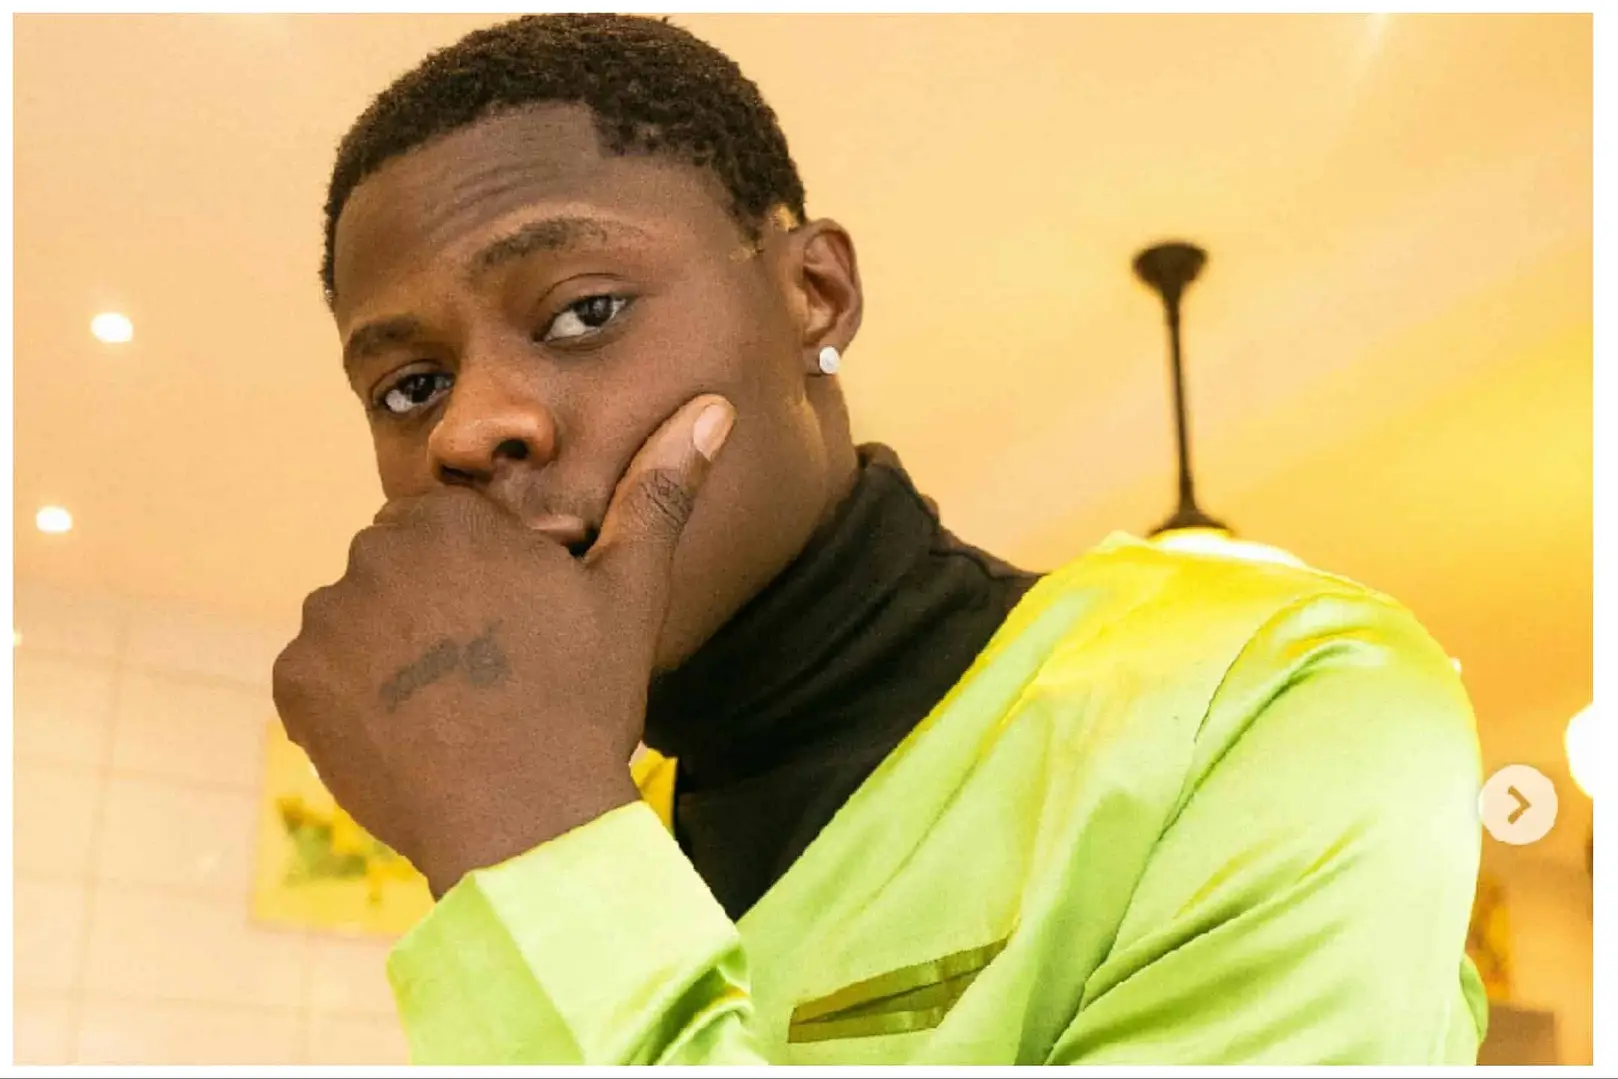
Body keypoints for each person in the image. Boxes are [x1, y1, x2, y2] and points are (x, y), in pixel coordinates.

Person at [272, 13, 1487, 1066]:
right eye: (409, 386)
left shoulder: (1275, 691)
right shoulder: (596, 818)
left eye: (585, 309)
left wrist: (525, 852)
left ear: (816, 294)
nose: (468, 429)